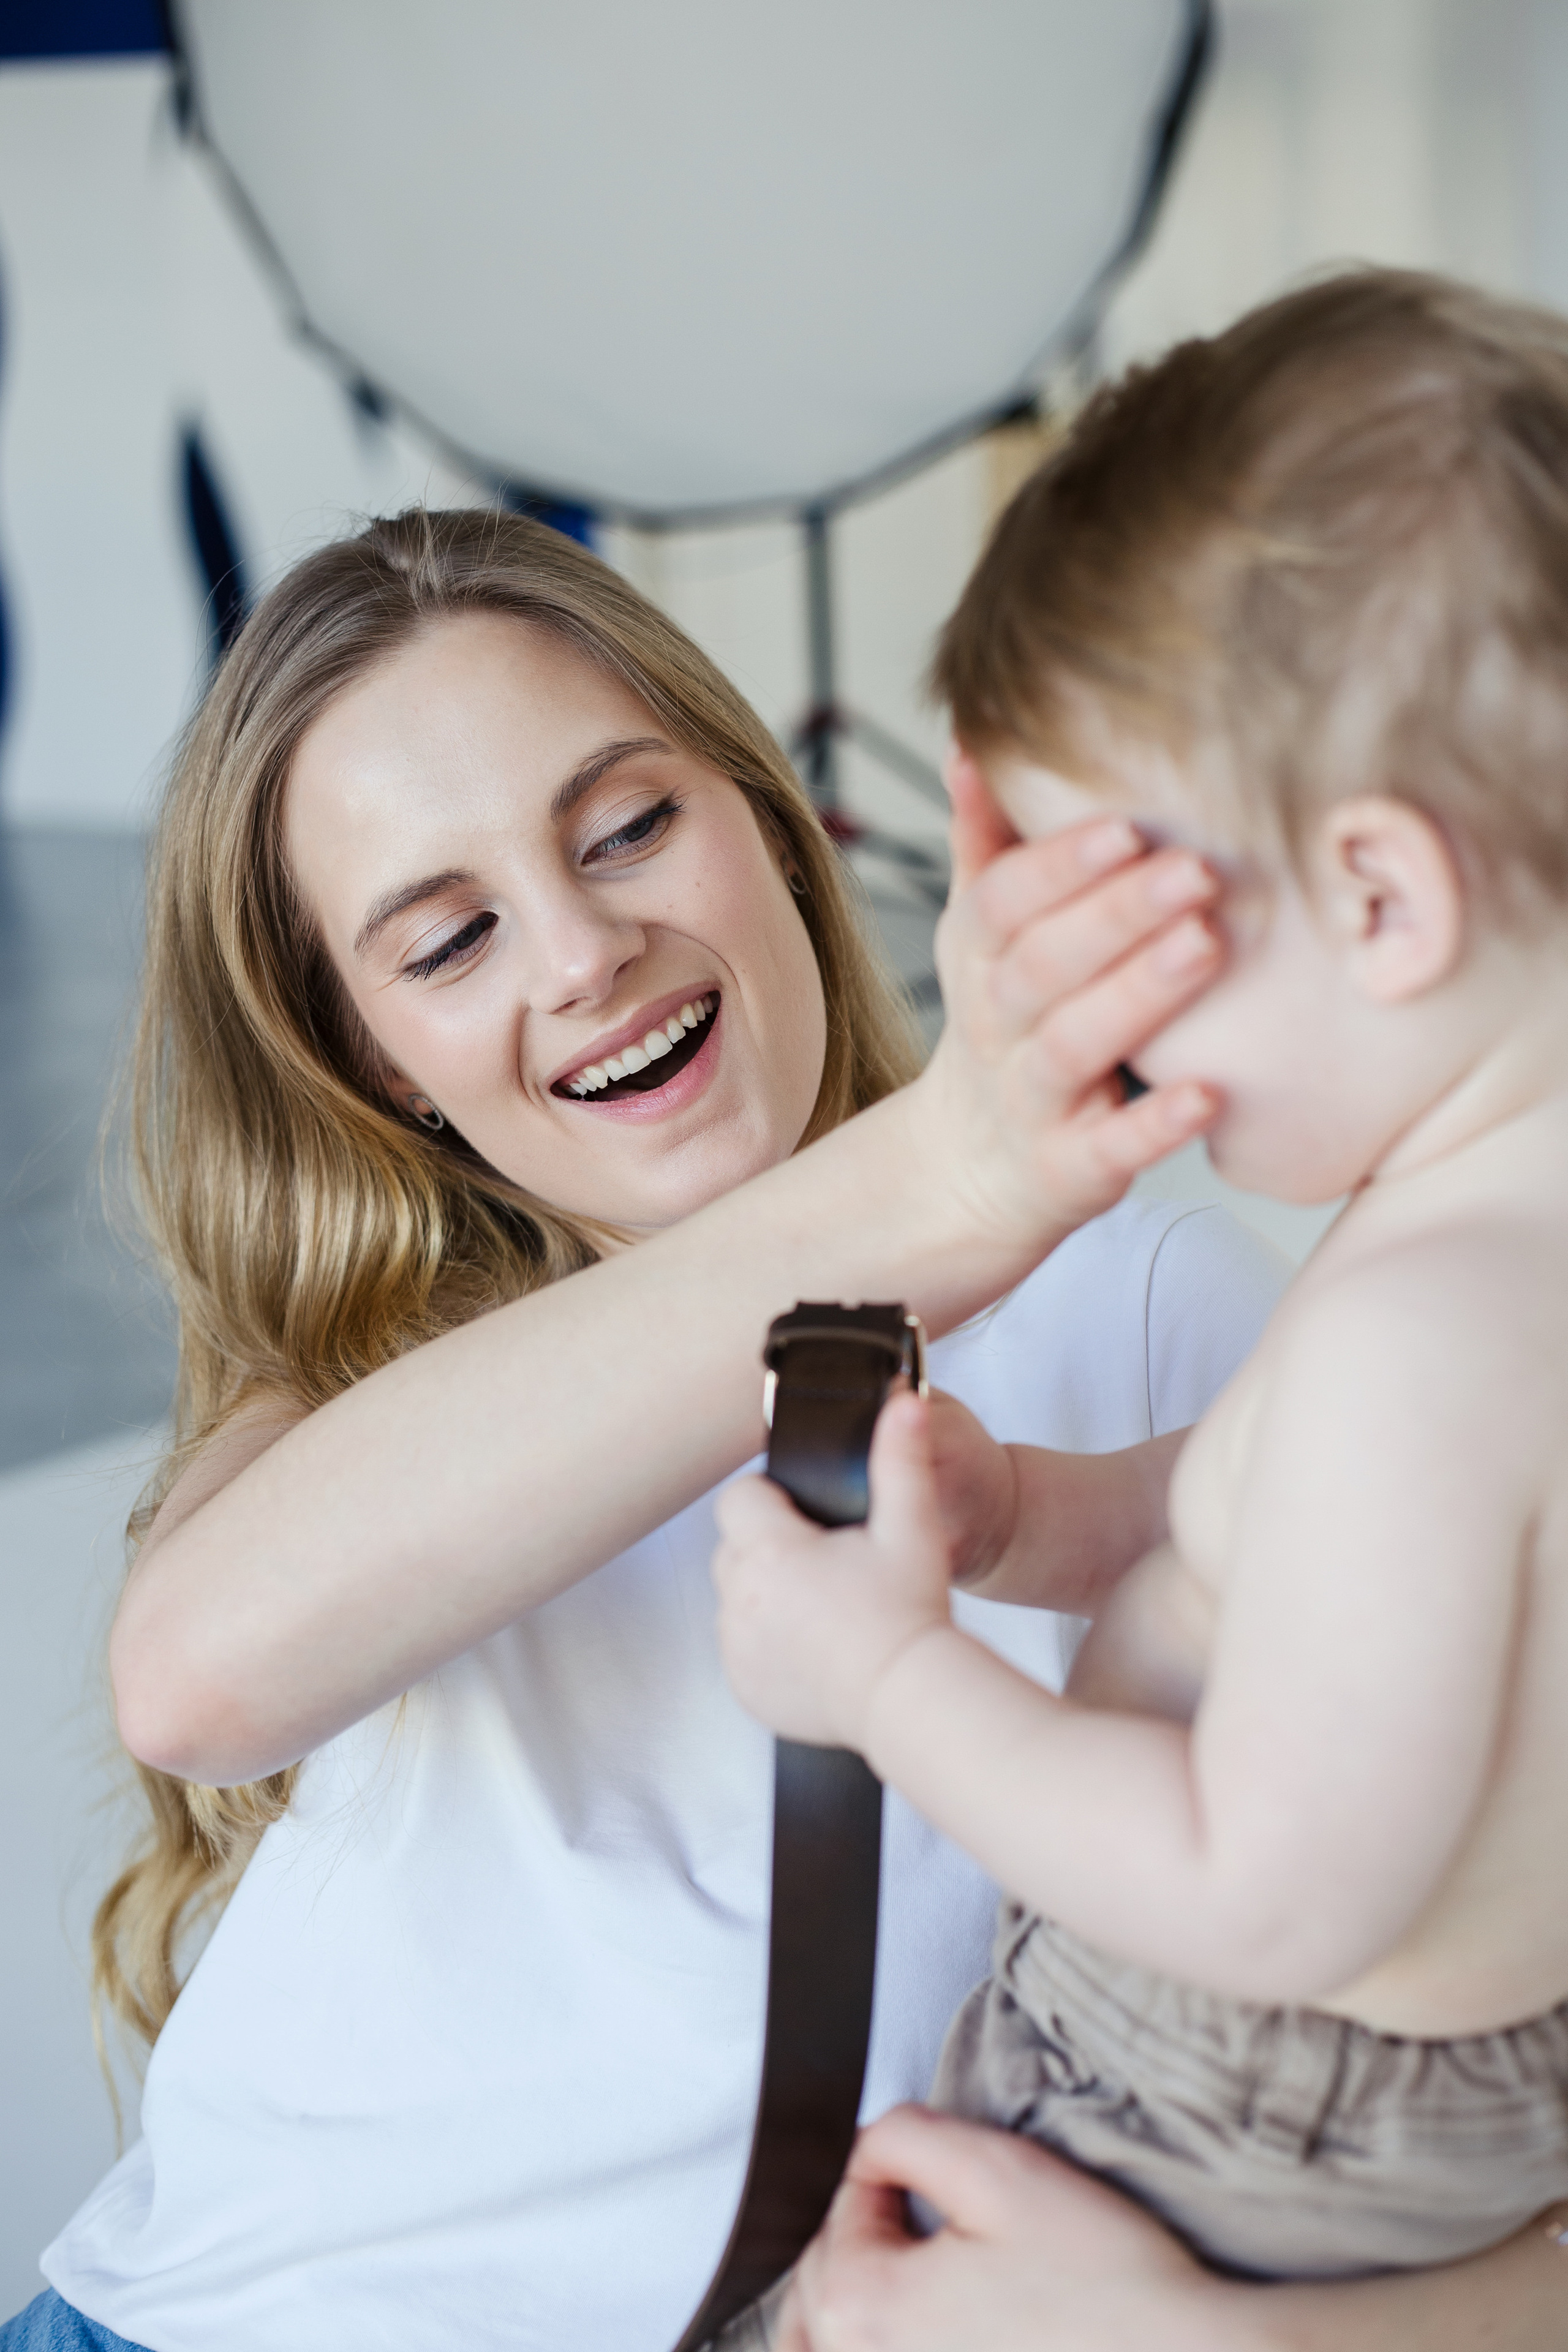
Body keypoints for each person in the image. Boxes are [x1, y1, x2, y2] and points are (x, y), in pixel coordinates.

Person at [0, 506, 1256, 2352]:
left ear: (771, 815)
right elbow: (195, 1680)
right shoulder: (382, 1374)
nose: (584, 952)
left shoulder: (1144, 1307)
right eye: (447, 942)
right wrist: (938, 1179)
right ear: (376, 1070)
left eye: (630, 829)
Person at [712, 264, 1568, 2315]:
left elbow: (1259, 1885)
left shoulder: (1413, 1328)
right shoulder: (1493, 1239)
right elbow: (1364, 1555)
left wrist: (888, 1679)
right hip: (1428, 2102)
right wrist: (1055, 1518)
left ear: (1378, 893)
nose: (1096, 1024)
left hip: (1224, 2101)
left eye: (1129, 904)